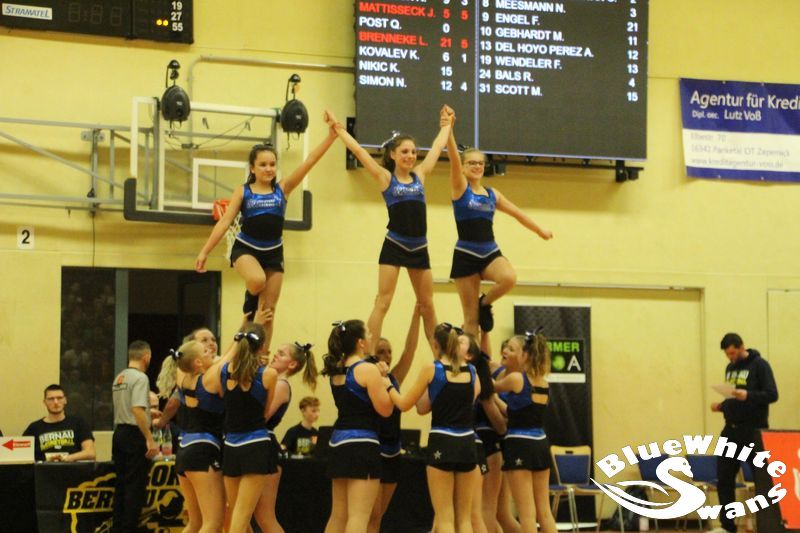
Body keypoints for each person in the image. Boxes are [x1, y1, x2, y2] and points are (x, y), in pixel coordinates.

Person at [196, 120, 339, 350]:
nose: (269, 168)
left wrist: (330, 138)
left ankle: (262, 357)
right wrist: (204, 252)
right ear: (252, 168)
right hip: (246, 248)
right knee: (257, 281)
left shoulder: (282, 189)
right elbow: (224, 222)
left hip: (273, 252)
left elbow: (310, 161)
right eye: (263, 164)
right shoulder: (243, 191)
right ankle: (250, 299)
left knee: (268, 311)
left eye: (272, 164)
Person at [324, 107, 452, 351]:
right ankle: (368, 354)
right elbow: (359, 151)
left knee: (427, 305)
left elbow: (437, 147)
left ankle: (440, 357)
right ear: (393, 154)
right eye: (404, 151)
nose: (410, 156)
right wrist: (338, 128)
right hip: (395, 244)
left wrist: (446, 125)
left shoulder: (420, 175)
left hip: (419, 247)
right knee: (383, 302)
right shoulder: (385, 178)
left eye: (413, 151)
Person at [445, 113, 553, 335]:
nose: (477, 166)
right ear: (463, 168)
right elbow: (454, 158)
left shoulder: (493, 194)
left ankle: (484, 303)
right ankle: (472, 358)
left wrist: (539, 230)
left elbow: (517, 213)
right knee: (471, 321)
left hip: (489, 251)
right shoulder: (460, 189)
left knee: (509, 278)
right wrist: (449, 130)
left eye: (480, 163)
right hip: (466, 254)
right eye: (471, 163)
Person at [385, 323, 481, 533]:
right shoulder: (472, 371)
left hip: (442, 441)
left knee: (445, 518)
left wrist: (388, 384)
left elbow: (405, 405)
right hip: (467, 443)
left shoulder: (432, 369)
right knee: (464, 519)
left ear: (435, 345)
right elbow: (467, 401)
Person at [202, 321, 278, 533]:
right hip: (256, 444)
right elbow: (265, 412)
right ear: (262, 346)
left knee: (237, 513)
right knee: (241, 516)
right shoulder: (269, 374)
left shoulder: (224, 371)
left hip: (231, 446)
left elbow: (218, 395)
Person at [322, 320, 394, 533]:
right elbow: (386, 410)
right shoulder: (367, 370)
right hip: (362, 443)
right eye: (369, 334)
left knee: (338, 515)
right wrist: (385, 380)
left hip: (338, 443)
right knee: (359, 516)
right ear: (360, 342)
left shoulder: (336, 370)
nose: (372, 337)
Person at [709, 333, 778, 533]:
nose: (730, 358)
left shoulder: (760, 365)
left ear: (741, 347)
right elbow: (733, 396)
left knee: (761, 480)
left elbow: (772, 394)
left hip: (753, 431)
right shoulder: (730, 368)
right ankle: (727, 526)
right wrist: (722, 406)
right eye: (727, 354)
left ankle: (766, 525)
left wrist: (748, 395)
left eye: (732, 353)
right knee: (724, 479)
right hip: (731, 429)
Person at [493, 332, 557, 533]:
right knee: (544, 512)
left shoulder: (516, 379)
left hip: (519, 444)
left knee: (526, 513)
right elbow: (516, 412)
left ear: (525, 355)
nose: (506, 351)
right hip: (541, 444)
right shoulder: (544, 383)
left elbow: (490, 387)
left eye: (512, 349)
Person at [253, 340, 318, 533]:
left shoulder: (281, 384)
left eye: (281, 354)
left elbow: (261, 416)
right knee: (246, 514)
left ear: (292, 364)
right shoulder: (271, 380)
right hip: (255, 444)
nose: (275, 354)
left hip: (265, 447)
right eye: (277, 351)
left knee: (265, 517)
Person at [368, 304, 421, 533]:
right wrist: (379, 307)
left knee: (379, 515)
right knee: (370, 515)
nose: (387, 355)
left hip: (393, 451)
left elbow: (410, 350)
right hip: (374, 450)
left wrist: (417, 314)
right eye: (381, 351)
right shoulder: (367, 377)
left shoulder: (395, 377)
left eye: (389, 351)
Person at [170, 339, 226, 533]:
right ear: (197, 362)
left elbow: (187, 357)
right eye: (205, 350)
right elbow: (229, 357)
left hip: (184, 450)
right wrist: (242, 334)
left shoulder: (182, 376)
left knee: (195, 523)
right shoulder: (208, 380)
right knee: (213, 523)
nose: (210, 350)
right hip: (202, 451)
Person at [111, 340, 160, 532]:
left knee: (121, 485)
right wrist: (149, 438)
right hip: (134, 435)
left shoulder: (120, 377)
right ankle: (128, 528)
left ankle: (117, 528)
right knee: (135, 487)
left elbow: (128, 408)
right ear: (146, 357)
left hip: (119, 433)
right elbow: (137, 410)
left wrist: (147, 413)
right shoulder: (141, 378)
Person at [23, 384, 95, 462]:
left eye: (59, 398)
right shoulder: (34, 428)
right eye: (51, 399)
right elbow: (23, 456)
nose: (56, 402)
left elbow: (90, 453)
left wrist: (66, 458)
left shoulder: (79, 423)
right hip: (44, 469)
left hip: (72, 468)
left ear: (65, 400)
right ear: (45, 402)